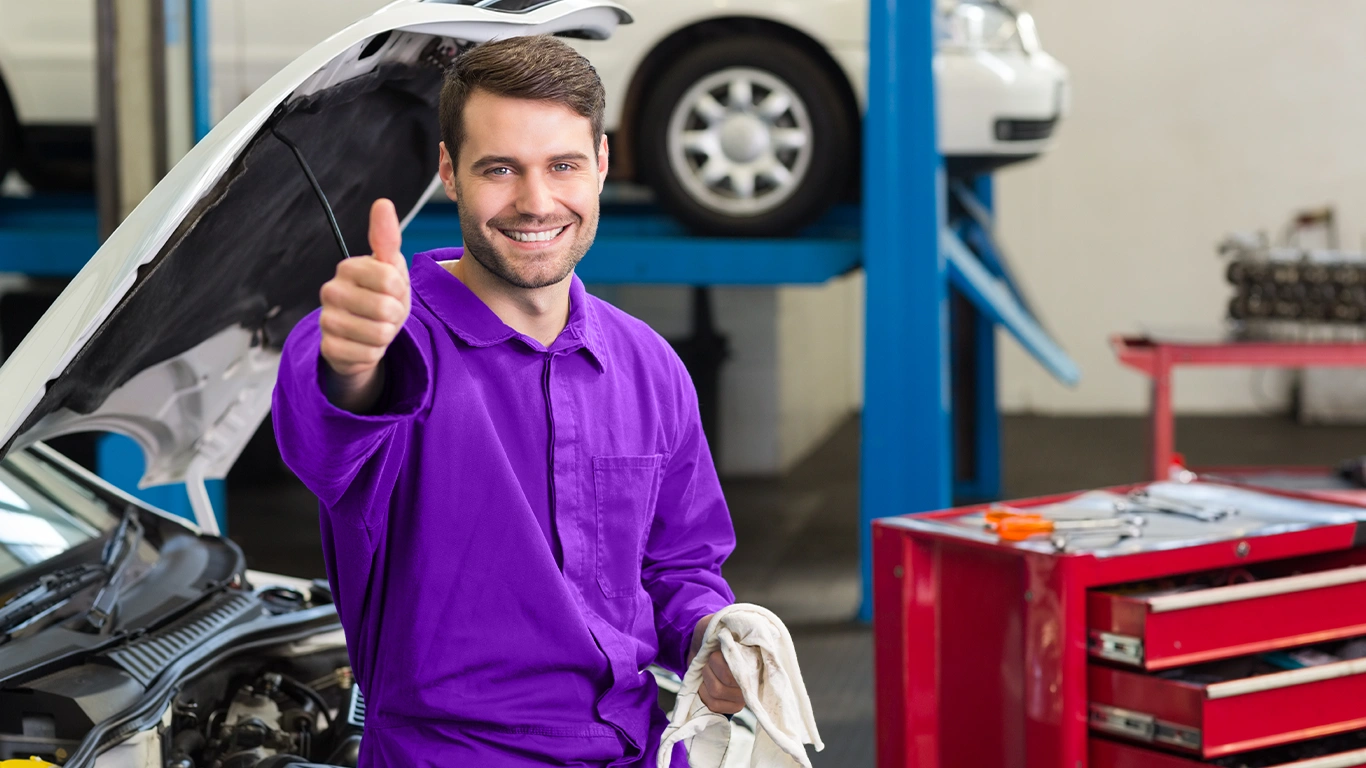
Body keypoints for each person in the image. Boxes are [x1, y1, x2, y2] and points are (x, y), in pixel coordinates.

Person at [272, 34, 743, 766]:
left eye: (563, 166)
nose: (535, 201)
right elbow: (328, 427)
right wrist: (349, 358)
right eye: (500, 169)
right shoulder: (396, 338)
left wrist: (713, 634)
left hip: (639, 746)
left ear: (602, 165)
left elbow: (681, 564)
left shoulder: (648, 363)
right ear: (449, 173)